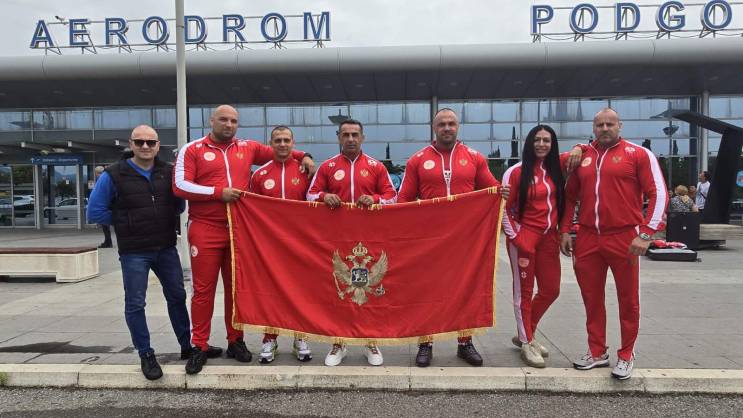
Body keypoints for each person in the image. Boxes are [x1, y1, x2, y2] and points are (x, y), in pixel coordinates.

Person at [173, 105, 315, 375]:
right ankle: (199, 345)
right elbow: (180, 185)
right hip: (205, 227)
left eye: (233, 121)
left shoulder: (247, 147)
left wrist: (305, 156)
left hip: (238, 229)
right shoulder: (193, 149)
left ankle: (235, 340)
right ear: (212, 121)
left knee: (236, 289)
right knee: (203, 290)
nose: (229, 124)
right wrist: (218, 192)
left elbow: (281, 151)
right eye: (223, 120)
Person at [559, 108, 668, 380]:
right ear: (593, 128)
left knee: (628, 299)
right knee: (591, 297)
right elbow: (570, 197)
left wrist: (646, 234)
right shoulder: (583, 156)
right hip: (587, 237)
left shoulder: (638, 154)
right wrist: (565, 230)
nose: (605, 128)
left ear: (620, 125)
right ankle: (597, 351)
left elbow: (658, 193)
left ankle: (626, 354)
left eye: (610, 124)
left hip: (624, 237)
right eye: (600, 125)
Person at [397, 108, 507, 368]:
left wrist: (502, 192)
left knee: (465, 288)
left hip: (464, 240)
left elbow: (491, 189)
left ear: (458, 127)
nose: (447, 128)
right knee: (427, 290)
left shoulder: (474, 157)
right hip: (429, 241)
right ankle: (425, 342)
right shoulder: (417, 160)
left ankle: (465, 342)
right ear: (434, 128)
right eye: (442, 124)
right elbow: (403, 200)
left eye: (451, 124)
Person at [87, 125, 191, 380]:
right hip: (134, 251)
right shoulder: (113, 175)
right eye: (140, 142)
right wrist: (128, 222)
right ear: (131, 144)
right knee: (135, 303)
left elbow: (179, 206)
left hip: (165, 248)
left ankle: (187, 346)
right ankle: (146, 353)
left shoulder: (168, 172)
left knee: (177, 296)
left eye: (151, 142)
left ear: (158, 146)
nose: (145, 146)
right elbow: (95, 211)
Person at [306, 118, 397, 367]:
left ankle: (370, 341)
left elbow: (393, 196)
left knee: (368, 290)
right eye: (345, 135)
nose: (350, 139)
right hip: (337, 240)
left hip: (369, 239)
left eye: (355, 135)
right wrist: (325, 196)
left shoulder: (376, 166)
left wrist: (375, 199)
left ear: (362, 137)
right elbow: (310, 195)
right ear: (339, 137)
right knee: (338, 291)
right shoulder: (327, 167)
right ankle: (339, 342)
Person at [501, 124, 571, 368]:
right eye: (537, 140)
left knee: (551, 290)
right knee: (524, 292)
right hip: (524, 237)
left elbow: (584, 150)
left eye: (546, 140)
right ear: (529, 143)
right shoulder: (515, 172)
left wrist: (580, 148)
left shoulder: (556, 168)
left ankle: (526, 331)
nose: (541, 144)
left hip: (549, 238)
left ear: (553, 144)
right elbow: (503, 209)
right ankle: (527, 341)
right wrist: (517, 238)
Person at [249, 125, 313, 364]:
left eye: (287, 140)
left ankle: (300, 337)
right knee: (270, 292)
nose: (283, 144)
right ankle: (270, 338)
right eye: (278, 140)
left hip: (300, 243)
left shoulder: (306, 171)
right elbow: (252, 210)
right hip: (270, 245)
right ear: (271, 144)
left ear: (293, 143)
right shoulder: (259, 175)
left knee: (301, 291)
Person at [93, 165, 113, 248]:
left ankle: (108, 242)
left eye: (96, 173)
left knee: (105, 226)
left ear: (98, 173)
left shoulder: (102, 180)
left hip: (105, 206)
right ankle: (108, 241)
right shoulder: (105, 179)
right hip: (107, 205)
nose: (95, 175)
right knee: (105, 226)